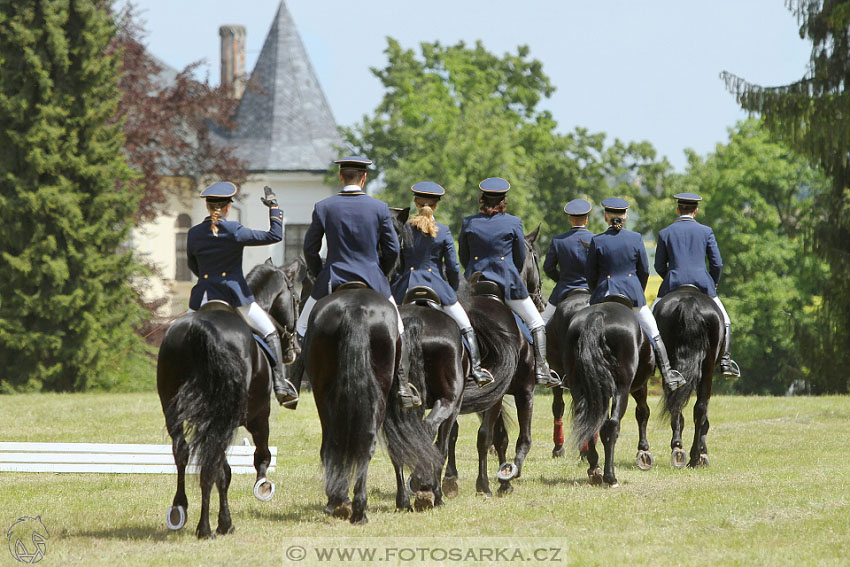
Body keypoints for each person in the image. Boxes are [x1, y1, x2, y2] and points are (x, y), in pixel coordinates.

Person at [297, 156, 421, 409]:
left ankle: (292, 381)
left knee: (301, 327)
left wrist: (320, 272)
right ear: (364, 178)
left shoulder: (324, 207)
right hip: (372, 278)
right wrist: (381, 274)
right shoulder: (379, 208)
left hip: (333, 278)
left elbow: (310, 249)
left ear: (341, 177)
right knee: (397, 329)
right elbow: (392, 249)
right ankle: (402, 384)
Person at [186, 181, 299, 407]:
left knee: (180, 335)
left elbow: (193, 266)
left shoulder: (194, 233)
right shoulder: (235, 230)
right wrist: (273, 206)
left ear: (208, 207)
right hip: (235, 298)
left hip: (203, 297)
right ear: (228, 207)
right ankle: (280, 385)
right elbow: (275, 235)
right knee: (269, 332)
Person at [458, 177, 560, 388]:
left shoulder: (469, 222)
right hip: (507, 285)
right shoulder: (514, 223)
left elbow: (464, 256)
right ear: (504, 200)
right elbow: (519, 258)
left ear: (482, 199)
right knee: (537, 323)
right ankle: (541, 370)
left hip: (475, 285)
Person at [391, 181, 494, 388]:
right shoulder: (444, 231)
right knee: (466, 326)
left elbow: (397, 263)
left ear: (415, 202)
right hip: (436, 287)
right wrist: (453, 288)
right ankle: (475, 369)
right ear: (436, 205)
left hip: (406, 287)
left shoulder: (404, 229)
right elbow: (454, 266)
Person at [586, 197, 685, 391]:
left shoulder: (597, 240)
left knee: (583, 333)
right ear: (625, 217)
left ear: (606, 217)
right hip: (631, 296)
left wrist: (596, 292)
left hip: (604, 294)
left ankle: (575, 374)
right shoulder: (636, 238)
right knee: (654, 333)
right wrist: (635, 289)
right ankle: (668, 375)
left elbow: (590, 274)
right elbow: (645, 270)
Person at [654, 192, 740, 377]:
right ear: (696, 211)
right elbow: (717, 263)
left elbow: (659, 265)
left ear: (678, 210)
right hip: (702, 284)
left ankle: (652, 360)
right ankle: (725, 361)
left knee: (653, 319)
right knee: (725, 320)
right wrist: (713, 284)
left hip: (673, 283)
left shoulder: (665, 232)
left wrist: (671, 277)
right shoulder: (706, 231)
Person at [541, 198, 594, 324]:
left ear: (569, 218)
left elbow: (548, 267)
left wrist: (562, 279)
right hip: (592, 290)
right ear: (586, 219)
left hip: (564, 289)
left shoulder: (558, 241)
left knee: (541, 322)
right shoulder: (597, 239)